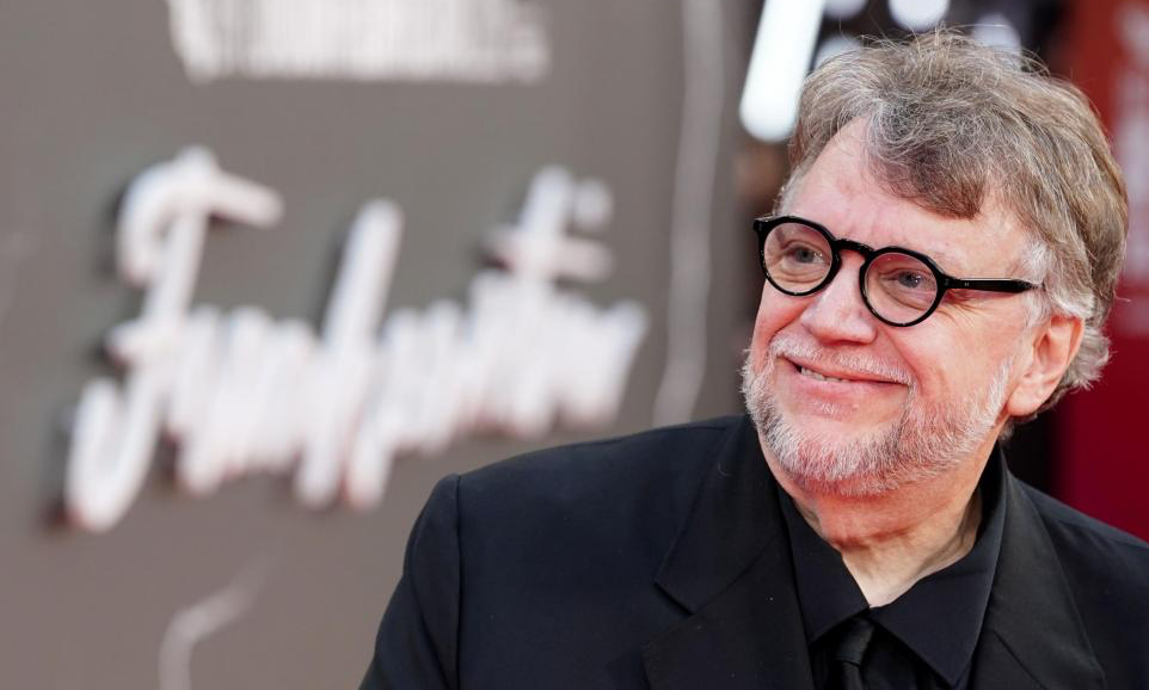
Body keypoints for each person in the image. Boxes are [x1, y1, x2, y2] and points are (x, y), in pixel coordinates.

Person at [359, 31, 1148, 690]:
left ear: (1042, 354)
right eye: (805, 254)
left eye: (909, 280)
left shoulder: (1131, 628)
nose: (828, 319)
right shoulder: (501, 553)